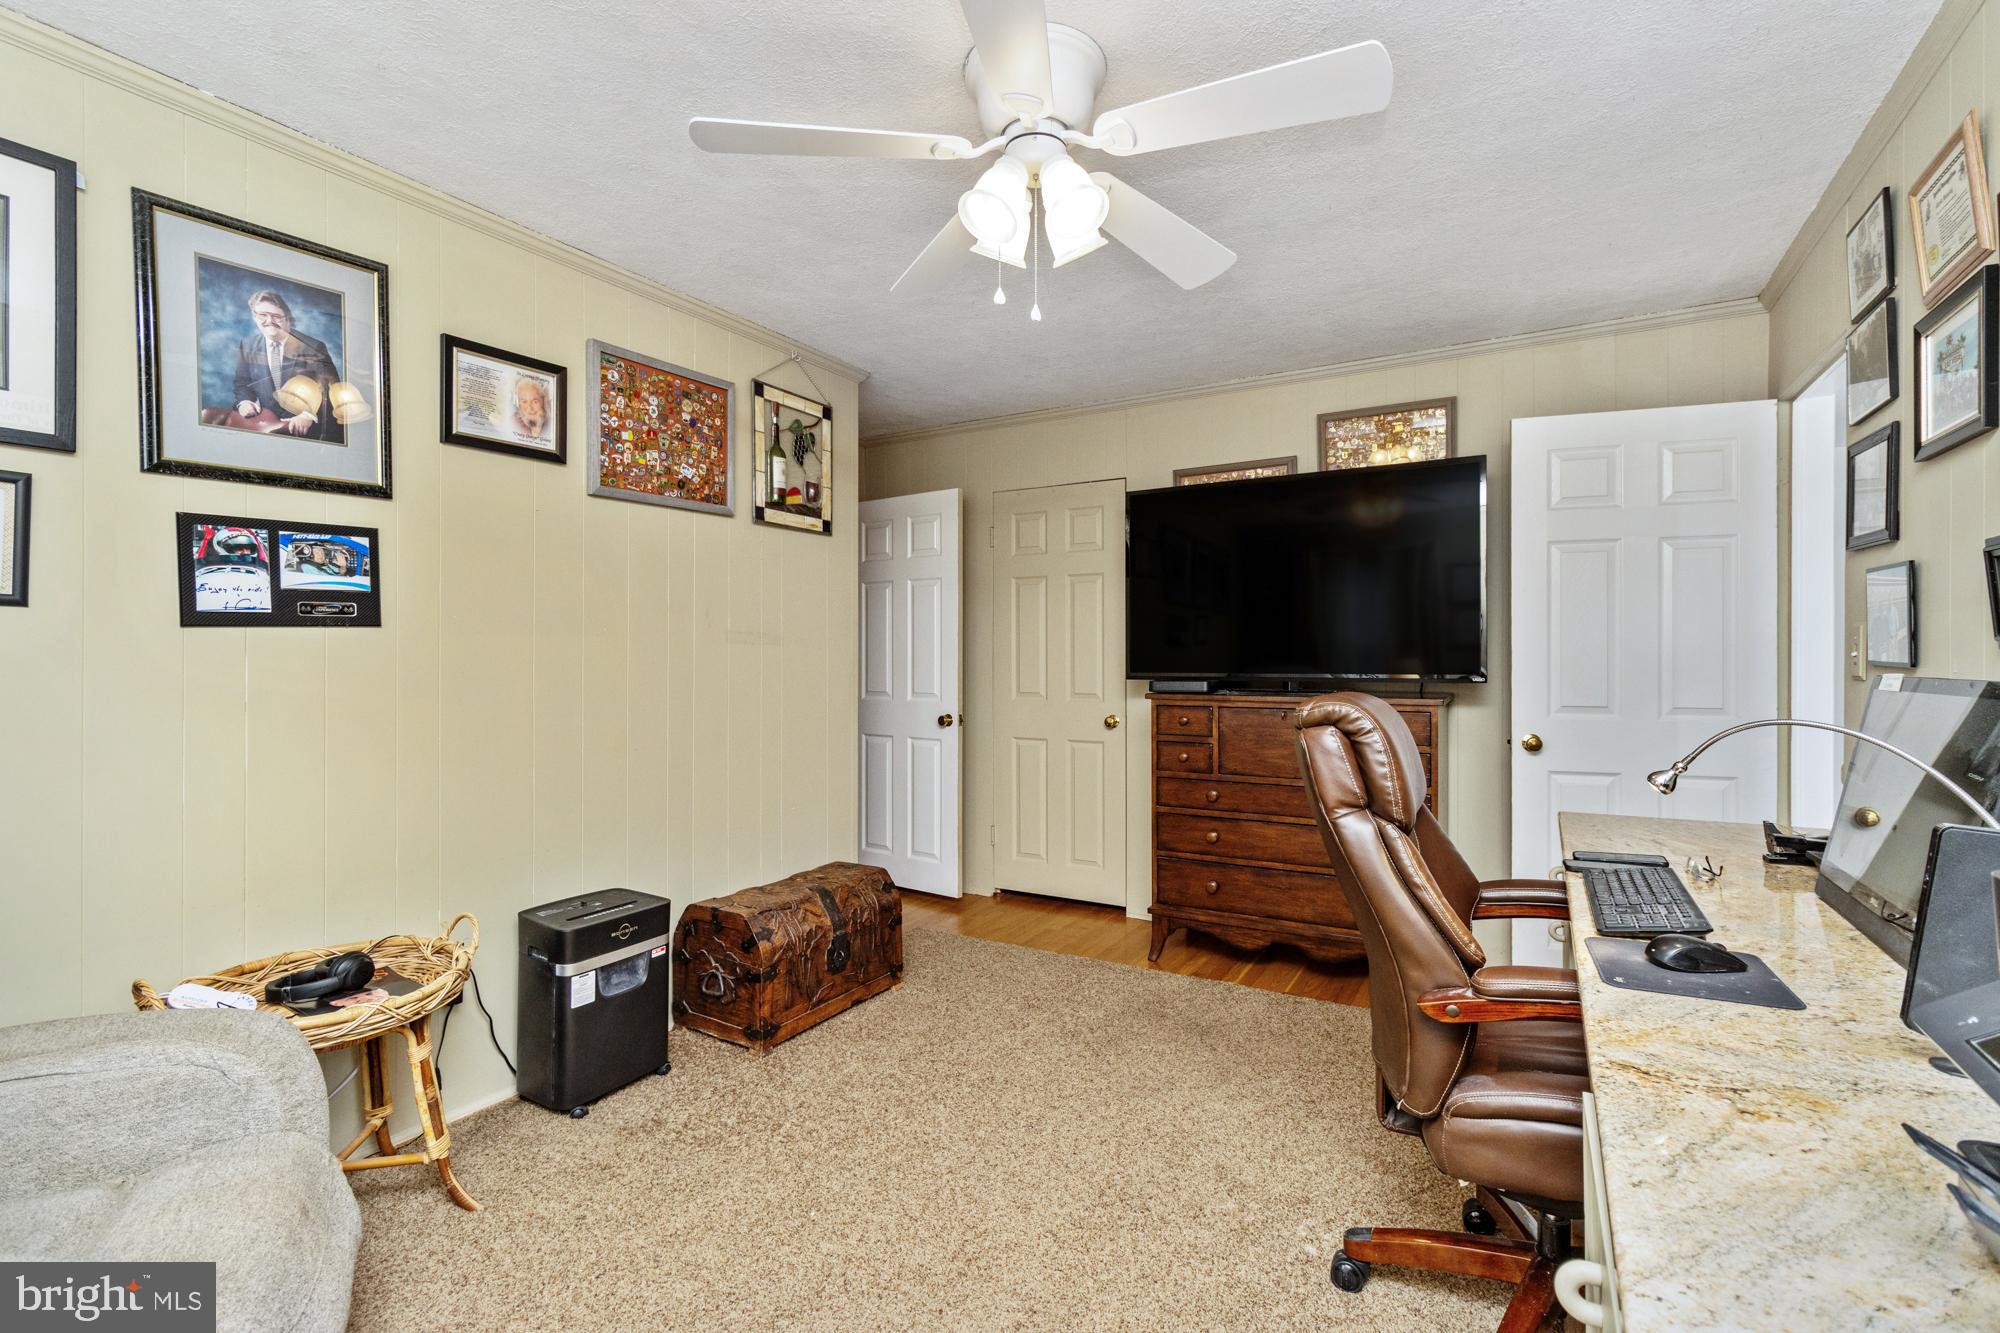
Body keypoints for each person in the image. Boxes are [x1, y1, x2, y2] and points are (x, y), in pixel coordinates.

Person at [230, 289, 342, 440]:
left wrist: (308, 414)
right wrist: (244, 402)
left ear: (287, 318)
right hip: (264, 427)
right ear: (254, 316)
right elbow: (242, 382)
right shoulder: (247, 344)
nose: (269, 321)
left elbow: (331, 388)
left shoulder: (313, 347)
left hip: (304, 431)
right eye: (262, 315)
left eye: (276, 316)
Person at [512, 375, 551, 441]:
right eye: (524, 402)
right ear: (519, 404)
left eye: (535, 401)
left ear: (543, 401)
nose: (530, 408)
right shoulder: (513, 423)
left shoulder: (552, 426)